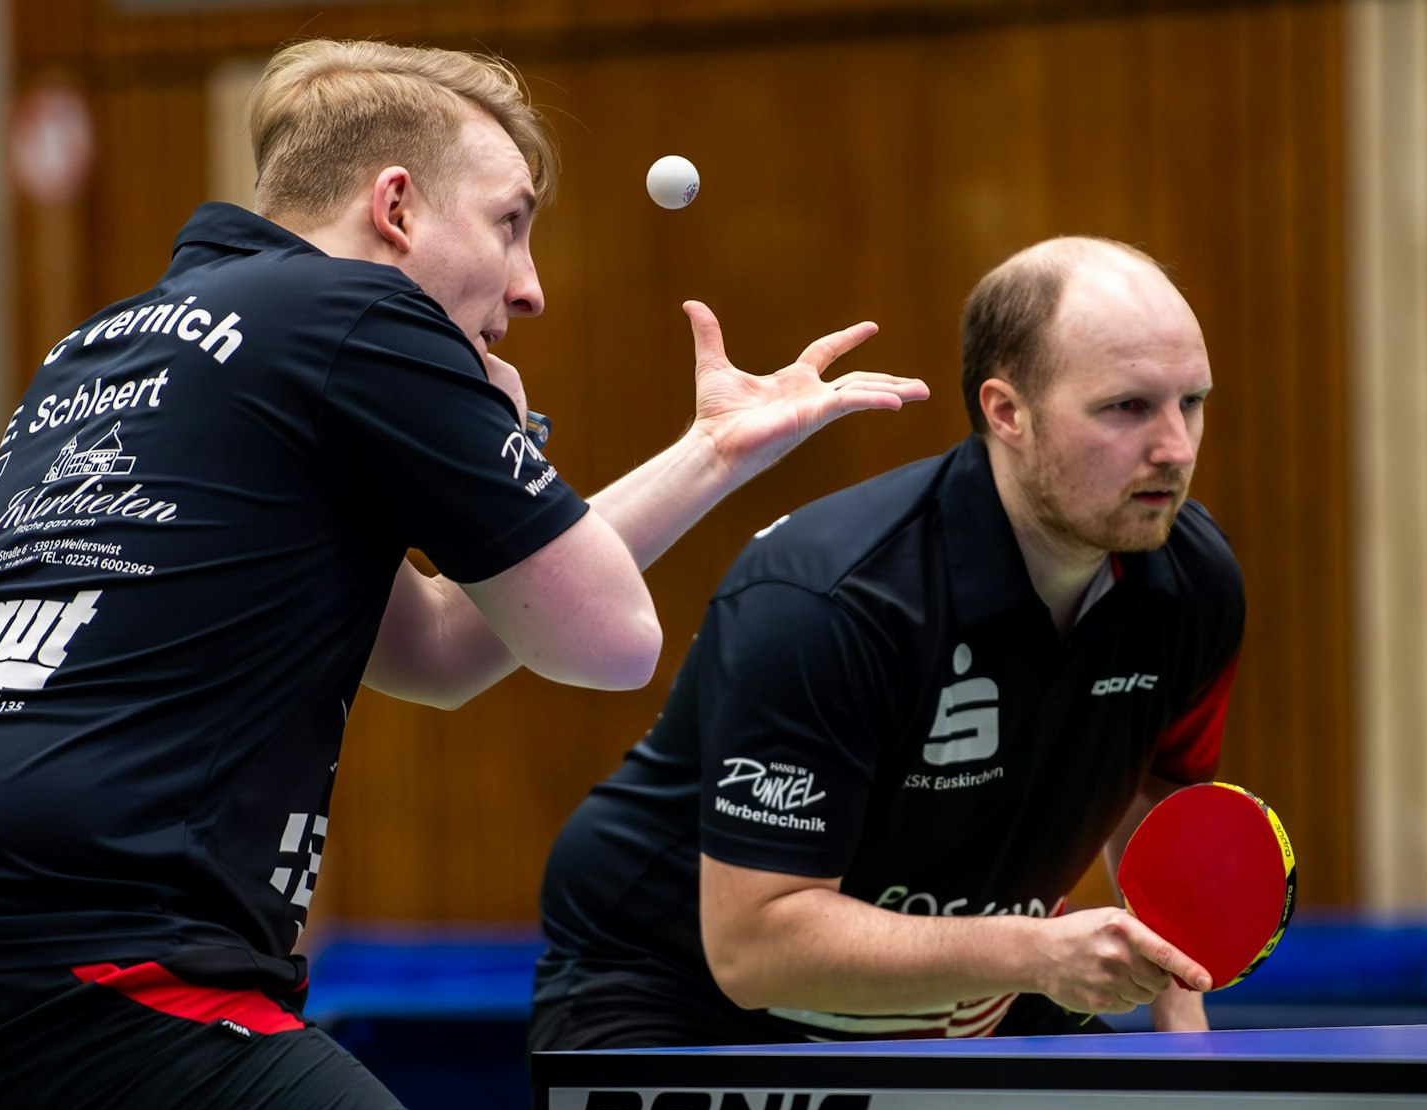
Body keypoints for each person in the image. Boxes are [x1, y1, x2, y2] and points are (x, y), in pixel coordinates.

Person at [0, 37, 927, 1110]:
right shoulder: (356, 312)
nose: (528, 288)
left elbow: (442, 647)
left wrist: (709, 453)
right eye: (510, 224)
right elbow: (610, 640)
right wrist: (502, 419)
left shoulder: (119, 342)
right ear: (396, 207)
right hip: (79, 956)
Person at [530, 236, 1245, 1050]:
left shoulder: (1193, 583)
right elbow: (755, 949)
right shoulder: (830, 601)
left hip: (975, 995)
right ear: (1006, 412)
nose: (1176, 449)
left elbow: (1156, 787)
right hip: (685, 996)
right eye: (1126, 408)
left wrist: (1182, 1032)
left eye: (1190, 402)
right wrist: (1034, 952)